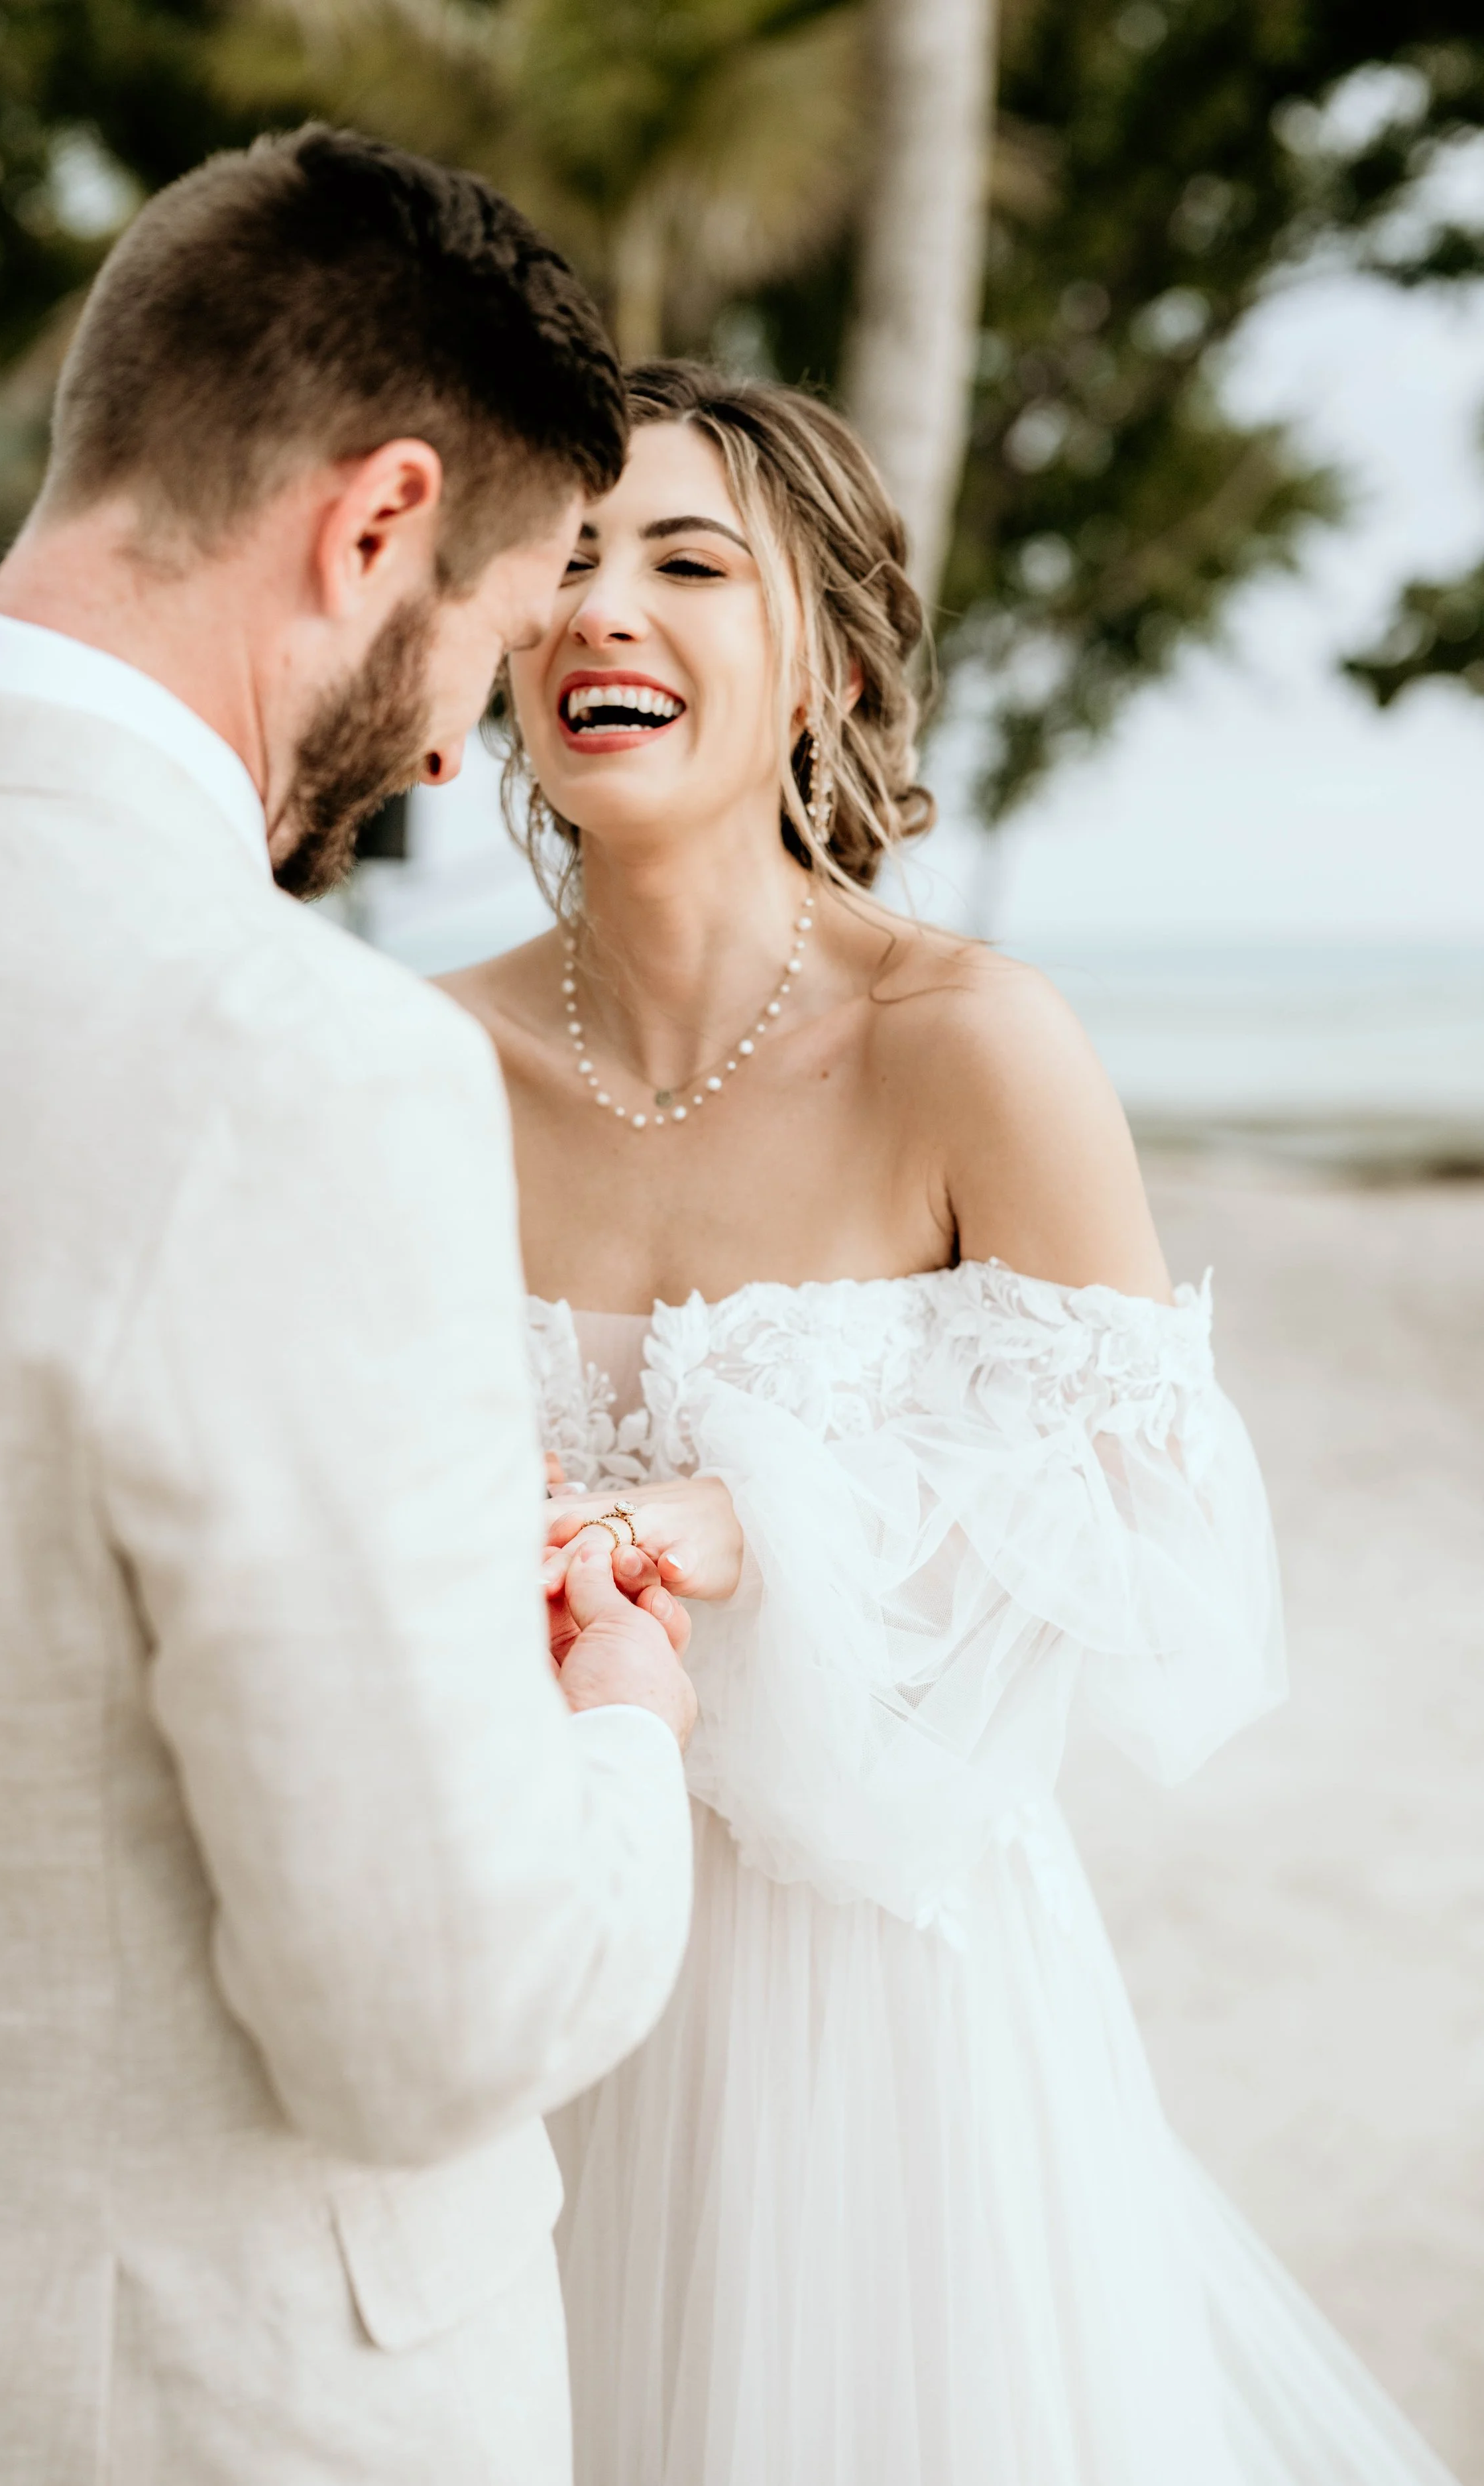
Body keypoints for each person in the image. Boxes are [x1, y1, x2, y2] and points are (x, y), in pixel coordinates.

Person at [443, 359, 1462, 2486]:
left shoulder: (969, 1042)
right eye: (559, 557)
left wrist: (765, 1514)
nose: (599, 607)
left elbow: (1160, 1527)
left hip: (878, 2000)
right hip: (515, 1937)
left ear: (814, 661)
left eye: (685, 561)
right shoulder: (402, 1059)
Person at [0, 131, 699, 2486]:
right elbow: (429, 2011)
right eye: (497, 634)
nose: (447, 752)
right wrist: (621, 1720)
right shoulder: (296, 1071)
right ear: (373, 521)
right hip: (197, 2408)